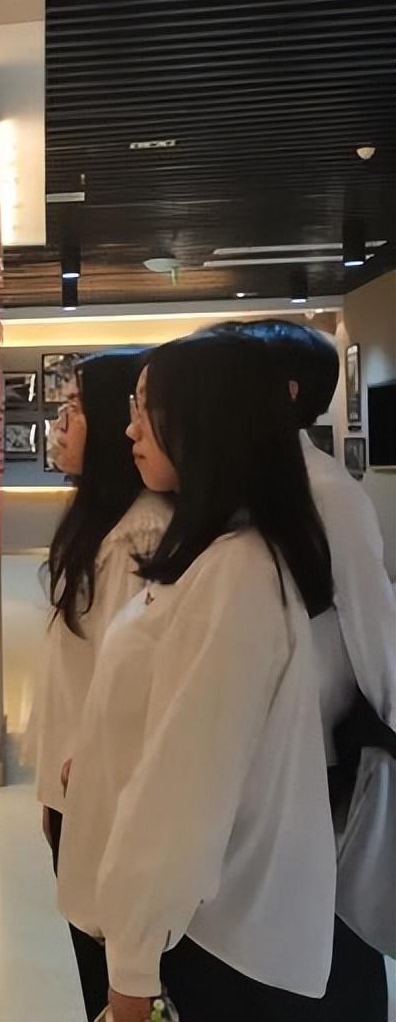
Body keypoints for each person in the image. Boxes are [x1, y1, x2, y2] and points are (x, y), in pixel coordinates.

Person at [58, 330, 337, 1022]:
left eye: (147, 408)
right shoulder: (214, 550)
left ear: (205, 420)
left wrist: (132, 970)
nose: (129, 429)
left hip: (209, 941)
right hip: (195, 928)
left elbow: (185, 794)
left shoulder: (237, 574)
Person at [220, 319, 394, 1022]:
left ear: (286, 392)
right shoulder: (244, 485)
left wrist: (383, 737)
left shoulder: (329, 493)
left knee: (330, 925)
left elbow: (371, 619)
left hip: (321, 744)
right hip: (260, 745)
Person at [35, 349, 172, 1021]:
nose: (60, 426)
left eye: (75, 409)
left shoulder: (140, 533)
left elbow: (127, 686)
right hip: (76, 781)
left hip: (107, 786)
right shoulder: (101, 523)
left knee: (119, 966)